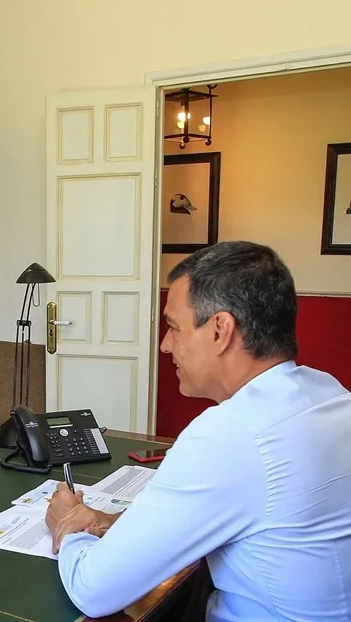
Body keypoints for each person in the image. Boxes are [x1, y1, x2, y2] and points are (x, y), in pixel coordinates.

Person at [44, 241, 351, 621]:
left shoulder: (232, 434)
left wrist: (69, 526)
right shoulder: (330, 396)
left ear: (220, 330)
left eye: (174, 328)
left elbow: (93, 589)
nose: (164, 345)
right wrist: (110, 520)